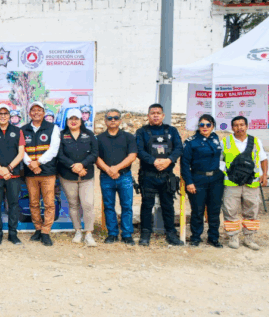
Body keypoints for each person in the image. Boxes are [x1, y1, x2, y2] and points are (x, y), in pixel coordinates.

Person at [135, 103, 184, 246]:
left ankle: (171, 234)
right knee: (146, 205)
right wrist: (154, 161)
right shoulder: (141, 131)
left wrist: (169, 160)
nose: (155, 115)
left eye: (158, 113)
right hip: (148, 174)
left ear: (163, 115)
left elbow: (178, 148)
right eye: (152, 113)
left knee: (168, 205)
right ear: (148, 115)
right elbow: (139, 150)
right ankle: (145, 234)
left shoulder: (172, 130)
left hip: (167, 175)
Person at [220, 116, 268, 250]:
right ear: (232, 127)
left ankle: (249, 238)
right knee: (230, 211)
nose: (239, 127)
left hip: (251, 183)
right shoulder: (225, 142)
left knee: (252, 211)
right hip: (231, 183)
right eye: (235, 125)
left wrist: (264, 174)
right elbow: (219, 161)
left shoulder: (256, 141)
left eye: (242, 125)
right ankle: (233, 237)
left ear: (247, 126)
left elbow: (263, 159)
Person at [57, 109, 99, 247]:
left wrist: (82, 165)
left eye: (76, 119)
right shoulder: (62, 135)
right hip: (68, 176)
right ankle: (78, 231)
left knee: (88, 204)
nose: (73, 121)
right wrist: (73, 166)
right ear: (67, 121)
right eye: (71, 119)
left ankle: (88, 234)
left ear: (81, 121)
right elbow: (60, 155)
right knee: (73, 204)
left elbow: (94, 153)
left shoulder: (89, 134)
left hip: (86, 175)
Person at [21, 101, 61, 246]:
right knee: (33, 202)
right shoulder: (23, 130)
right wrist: (31, 164)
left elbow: (54, 149)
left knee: (50, 203)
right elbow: (21, 150)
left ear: (44, 113)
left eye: (39, 110)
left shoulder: (53, 128)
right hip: (31, 173)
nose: (36, 112)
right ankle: (38, 228)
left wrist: (38, 163)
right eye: (33, 110)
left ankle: (46, 231)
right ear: (29, 113)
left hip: (48, 172)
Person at [96, 109, 137, 245]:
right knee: (108, 206)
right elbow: (96, 157)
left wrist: (116, 168)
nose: (112, 120)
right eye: (109, 118)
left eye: (115, 118)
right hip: (106, 177)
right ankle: (112, 233)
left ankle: (126, 234)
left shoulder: (128, 137)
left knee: (127, 206)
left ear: (120, 120)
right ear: (105, 121)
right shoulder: (99, 139)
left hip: (124, 176)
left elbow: (132, 156)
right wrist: (109, 170)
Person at [181, 114, 223, 248]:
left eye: (208, 125)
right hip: (198, 179)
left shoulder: (216, 139)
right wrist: (189, 182)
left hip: (216, 179)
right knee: (198, 210)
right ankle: (195, 237)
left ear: (213, 126)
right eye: (202, 125)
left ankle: (213, 237)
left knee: (214, 210)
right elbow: (184, 164)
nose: (205, 127)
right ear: (198, 126)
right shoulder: (190, 142)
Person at [0, 104, 25, 245]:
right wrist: (1, 170)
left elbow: (21, 153)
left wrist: (8, 168)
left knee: (13, 204)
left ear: (9, 115)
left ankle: (13, 234)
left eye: (5, 113)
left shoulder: (18, 131)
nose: (3, 116)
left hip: (13, 175)